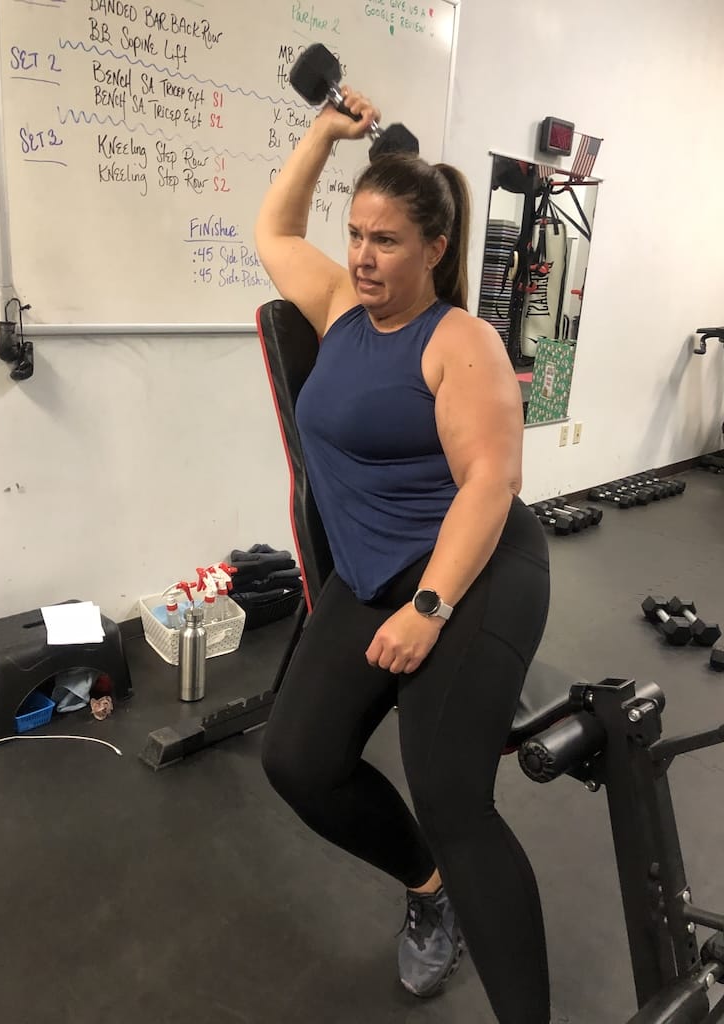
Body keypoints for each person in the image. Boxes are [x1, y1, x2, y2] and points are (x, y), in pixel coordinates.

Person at [255, 86, 551, 1024]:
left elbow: (491, 483)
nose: (362, 256)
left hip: (476, 568)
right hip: (374, 574)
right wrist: (323, 132)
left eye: (386, 240)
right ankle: (429, 891)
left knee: (454, 800)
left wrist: (429, 610)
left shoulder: (460, 341)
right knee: (298, 762)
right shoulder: (340, 308)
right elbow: (274, 230)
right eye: (356, 234)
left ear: (435, 250)